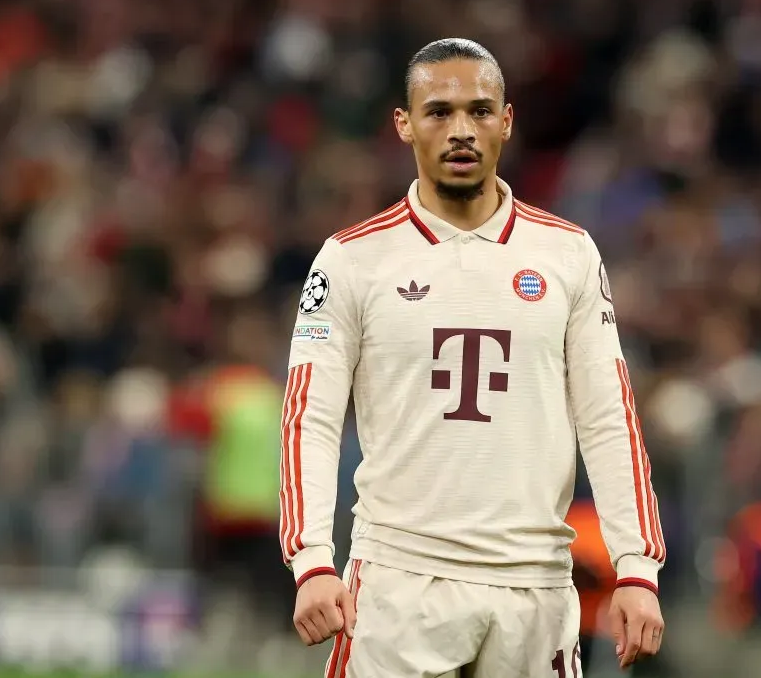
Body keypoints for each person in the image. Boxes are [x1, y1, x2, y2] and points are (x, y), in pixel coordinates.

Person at [279, 38, 666, 678]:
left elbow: (609, 418)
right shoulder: (350, 260)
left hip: (534, 582)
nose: (461, 129)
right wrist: (312, 561)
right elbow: (309, 419)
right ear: (404, 124)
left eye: (481, 111)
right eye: (438, 111)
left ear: (507, 122)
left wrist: (637, 567)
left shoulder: (568, 254)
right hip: (401, 578)